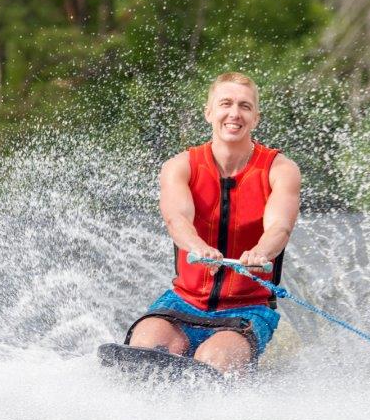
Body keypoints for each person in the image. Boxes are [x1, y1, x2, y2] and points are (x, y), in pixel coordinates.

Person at [124, 72, 301, 374]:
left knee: (213, 360)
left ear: (256, 118)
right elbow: (176, 218)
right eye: (226, 103)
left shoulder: (281, 170)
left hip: (248, 308)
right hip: (183, 303)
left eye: (245, 106)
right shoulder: (179, 167)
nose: (234, 113)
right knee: (145, 349)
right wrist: (197, 246)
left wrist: (261, 251)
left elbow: (279, 227)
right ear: (209, 112)